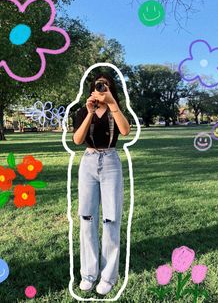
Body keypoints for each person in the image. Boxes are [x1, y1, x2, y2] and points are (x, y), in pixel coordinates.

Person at [73, 72, 130, 296]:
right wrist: (88, 113)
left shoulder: (115, 110)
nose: (102, 89)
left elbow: (125, 131)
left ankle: (108, 276)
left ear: (112, 88)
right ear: (92, 88)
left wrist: (113, 104)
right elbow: (77, 140)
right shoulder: (81, 111)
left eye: (106, 86)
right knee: (86, 218)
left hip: (110, 162)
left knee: (111, 219)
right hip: (88, 161)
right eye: (99, 86)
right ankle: (88, 274)